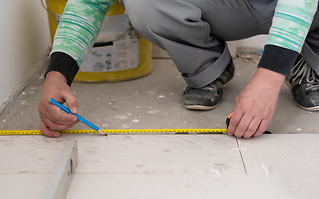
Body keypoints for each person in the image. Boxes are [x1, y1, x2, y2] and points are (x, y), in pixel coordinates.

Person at [38, 0, 319, 138]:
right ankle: (209, 67)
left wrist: (268, 78)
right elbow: (89, 1)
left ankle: (301, 56)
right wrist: (57, 76)